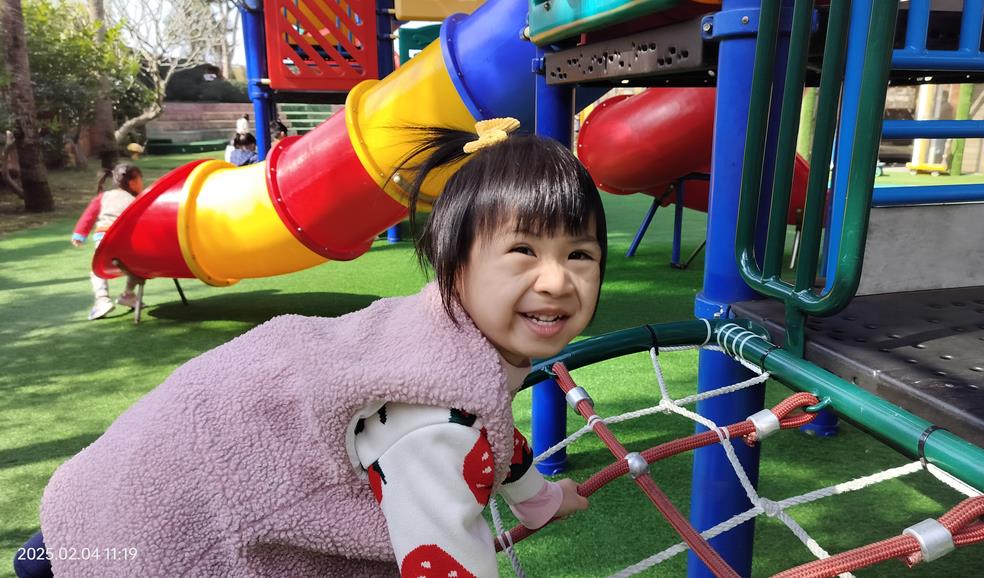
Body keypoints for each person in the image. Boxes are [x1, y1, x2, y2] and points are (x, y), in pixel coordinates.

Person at [20, 118, 605, 577]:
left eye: (580, 254)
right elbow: (444, 559)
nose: (557, 281)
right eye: (523, 252)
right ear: (455, 267)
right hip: (150, 534)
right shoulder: (434, 424)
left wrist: (539, 500)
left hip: (122, 478)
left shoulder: (442, 337)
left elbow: (491, 425)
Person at [70, 163, 145, 321]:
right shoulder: (137, 200)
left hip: (104, 240)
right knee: (137, 268)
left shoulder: (104, 196)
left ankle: (102, 299)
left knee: (97, 270)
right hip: (126, 241)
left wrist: (79, 235)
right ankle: (128, 294)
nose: (142, 184)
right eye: (140, 180)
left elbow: (89, 215)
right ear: (132, 183)